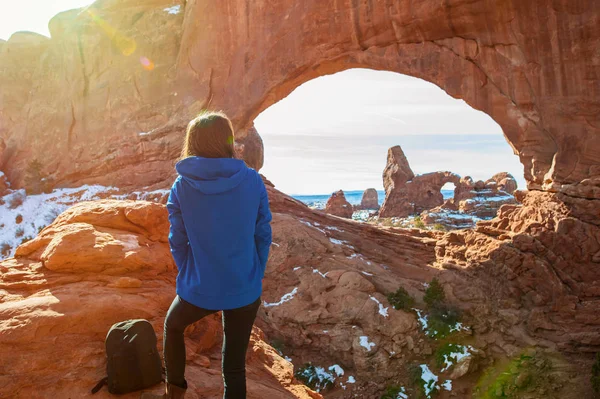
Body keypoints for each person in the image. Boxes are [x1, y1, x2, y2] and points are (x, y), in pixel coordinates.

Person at [142, 111, 272, 399]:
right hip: (244, 286)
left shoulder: (182, 186)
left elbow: (178, 239)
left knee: (173, 326)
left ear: (193, 142)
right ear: (226, 140)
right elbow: (262, 233)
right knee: (234, 364)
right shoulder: (251, 180)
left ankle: (174, 394)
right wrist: (255, 271)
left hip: (200, 287)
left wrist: (190, 272)